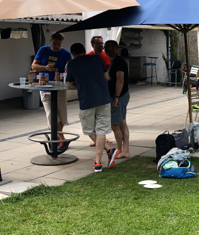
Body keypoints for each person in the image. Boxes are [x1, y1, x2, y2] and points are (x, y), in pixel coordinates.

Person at [66, 43, 118, 173]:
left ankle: (109, 151)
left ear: (73, 53)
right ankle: (99, 161)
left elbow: (69, 85)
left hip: (86, 101)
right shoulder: (96, 58)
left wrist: (80, 85)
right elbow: (107, 77)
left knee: (89, 130)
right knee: (101, 130)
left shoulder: (71, 64)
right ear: (84, 51)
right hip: (103, 98)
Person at [32, 32, 72, 146]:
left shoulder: (66, 54)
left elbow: (69, 69)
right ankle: (61, 138)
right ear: (50, 42)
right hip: (45, 87)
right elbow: (34, 66)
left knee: (62, 114)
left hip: (60, 88)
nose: (56, 46)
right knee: (51, 114)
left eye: (59, 44)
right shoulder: (43, 50)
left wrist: (64, 77)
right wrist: (45, 67)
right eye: (54, 43)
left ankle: (57, 136)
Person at [104, 40, 130, 159]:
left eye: (108, 47)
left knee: (116, 125)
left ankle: (120, 151)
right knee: (122, 123)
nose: (106, 50)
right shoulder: (115, 61)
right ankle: (125, 150)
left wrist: (116, 97)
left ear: (115, 47)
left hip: (119, 96)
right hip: (120, 96)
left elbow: (120, 80)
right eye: (105, 47)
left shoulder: (118, 61)